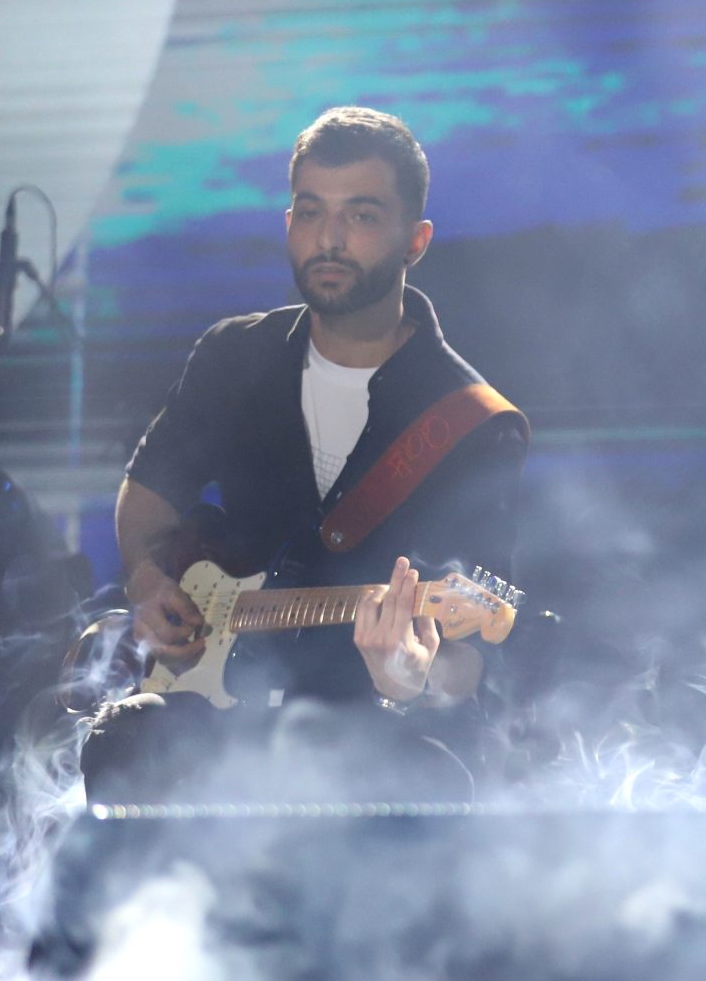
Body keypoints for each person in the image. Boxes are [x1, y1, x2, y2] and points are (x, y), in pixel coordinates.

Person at [83, 107, 527, 802]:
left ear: (415, 241)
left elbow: (479, 652)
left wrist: (412, 679)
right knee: (120, 742)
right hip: (215, 713)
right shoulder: (232, 355)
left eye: (361, 216)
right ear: (288, 221)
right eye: (311, 211)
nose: (329, 238)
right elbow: (148, 493)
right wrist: (145, 579)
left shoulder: (473, 421)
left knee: (422, 779)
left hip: (364, 730)